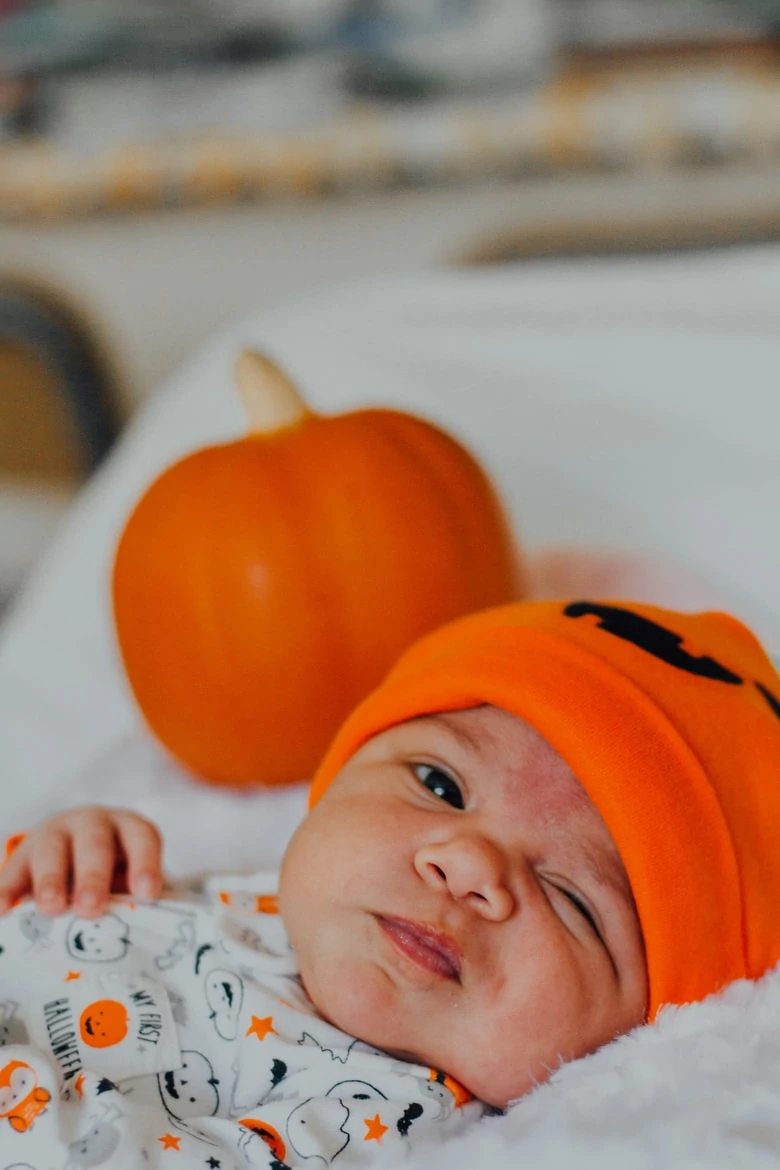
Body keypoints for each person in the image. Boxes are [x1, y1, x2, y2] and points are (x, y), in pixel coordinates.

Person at [1, 599, 779, 1168]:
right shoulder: (252, 887)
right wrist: (62, 863)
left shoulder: (381, 1118)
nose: (468, 866)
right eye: (440, 785)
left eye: (574, 900)